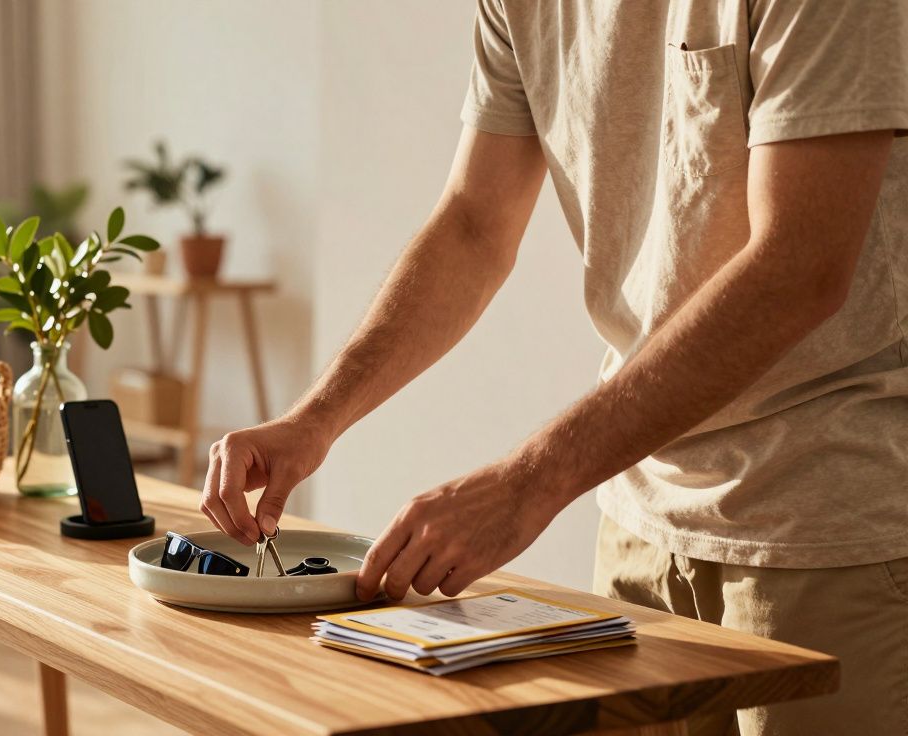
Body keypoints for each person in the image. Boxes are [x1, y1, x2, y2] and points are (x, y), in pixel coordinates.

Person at [199, 2, 907, 734]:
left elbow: (800, 266)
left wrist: (528, 483)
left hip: (827, 526)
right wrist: (313, 419)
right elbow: (474, 223)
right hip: (638, 520)